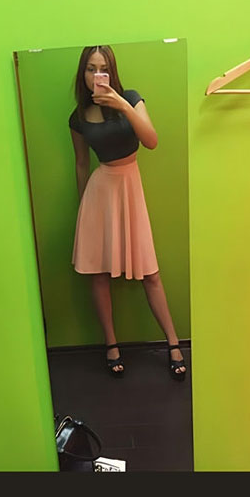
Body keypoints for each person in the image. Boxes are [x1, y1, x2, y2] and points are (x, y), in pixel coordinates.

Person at [68, 45, 186, 381]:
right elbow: (81, 163)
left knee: (151, 274)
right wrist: (82, 208)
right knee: (98, 274)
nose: (97, 75)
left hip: (130, 188)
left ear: (113, 71)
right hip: (99, 193)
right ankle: (111, 344)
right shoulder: (78, 116)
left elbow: (151, 140)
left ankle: (173, 343)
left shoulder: (131, 98)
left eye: (103, 68)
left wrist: (119, 103)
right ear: (83, 73)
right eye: (91, 69)